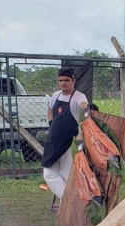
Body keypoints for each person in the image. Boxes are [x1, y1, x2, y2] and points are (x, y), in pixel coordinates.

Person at [42, 68, 88, 199]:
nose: (63, 83)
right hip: (53, 140)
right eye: (60, 80)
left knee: (64, 175)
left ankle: (70, 201)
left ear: (73, 81)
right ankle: (71, 200)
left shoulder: (78, 96)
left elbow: (83, 104)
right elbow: (50, 108)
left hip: (68, 141)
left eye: (66, 80)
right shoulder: (55, 95)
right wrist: (51, 123)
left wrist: (87, 107)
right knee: (52, 173)